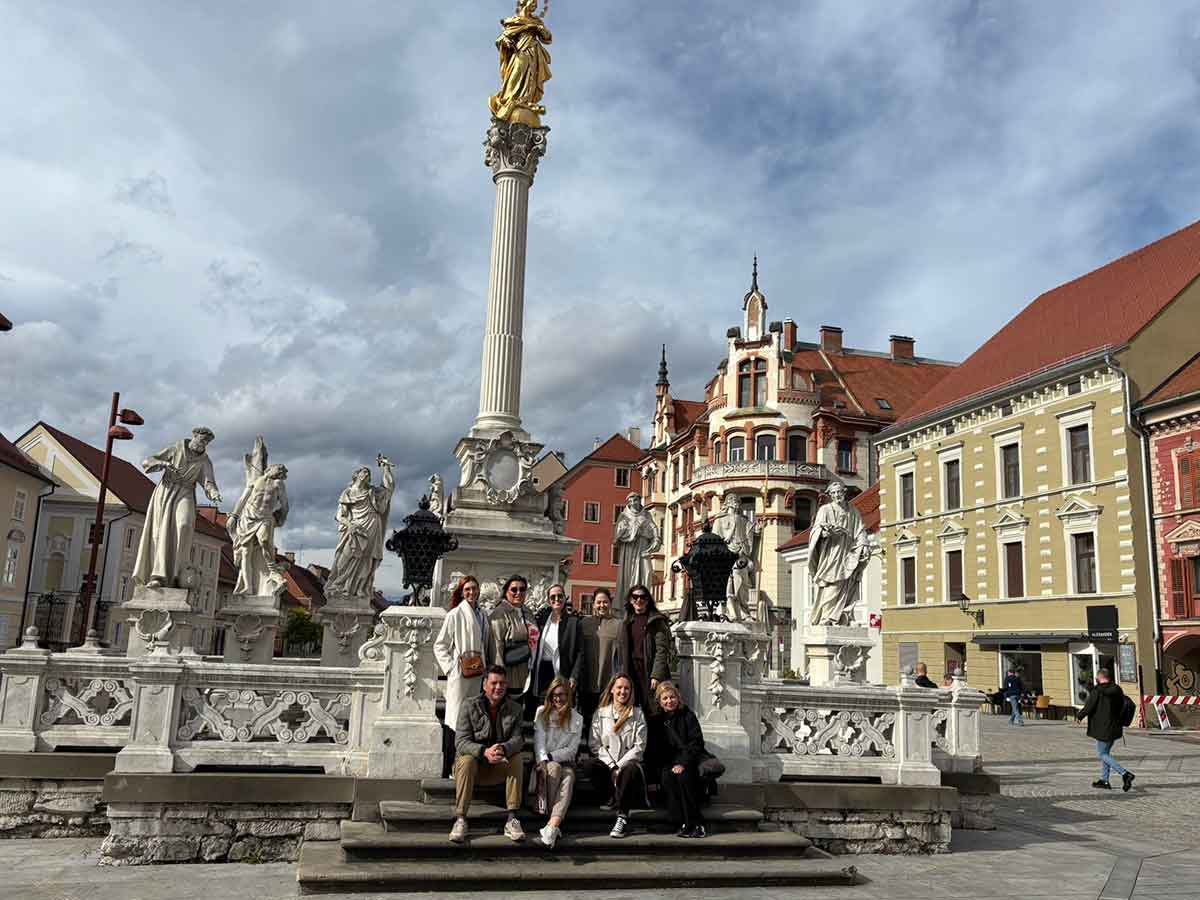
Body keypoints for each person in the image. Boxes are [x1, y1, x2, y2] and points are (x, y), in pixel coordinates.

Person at [133, 427, 222, 588]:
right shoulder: (176, 448)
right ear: (194, 437)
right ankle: (158, 576)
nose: (203, 444)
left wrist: (213, 492)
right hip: (166, 491)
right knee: (161, 532)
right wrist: (163, 464)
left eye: (206, 442)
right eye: (201, 440)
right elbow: (148, 461)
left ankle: (177, 574)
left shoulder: (204, 461)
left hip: (186, 492)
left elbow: (208, 481)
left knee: (184, 525)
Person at [450, 666, 526, 844]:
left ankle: (512, 818)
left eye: (502, 683)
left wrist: (503, 748)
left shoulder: (515, 708)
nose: (498, 687)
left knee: (517, 758)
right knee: (466, 760)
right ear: (485, 685)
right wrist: (484, 752)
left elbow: (519, 739)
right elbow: (460, 742)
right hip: (473, 769)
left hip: (498, 766)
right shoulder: (469, 705)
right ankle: (460, 818)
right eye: (494, 683)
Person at [433, 576, 489, 777]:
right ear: (461, 592)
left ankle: (467, 766)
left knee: (473, 720)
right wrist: (450, 668)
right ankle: (451, 767)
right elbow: (440, 645)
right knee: (455, 720)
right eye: (467, 589)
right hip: (461, 675)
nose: (471, 592)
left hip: (478, 674)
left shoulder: (482, 615)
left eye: (474, 588)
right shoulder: (455, 614)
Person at [589, 673, 648, 839]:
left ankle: (622, 816)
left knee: (629, 769)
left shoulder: (638, 714)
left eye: (627, 688)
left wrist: (619, 767)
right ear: (612, 690)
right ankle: (610, 797)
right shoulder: (600, 713)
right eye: (619, 687)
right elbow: (595, 744)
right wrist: (612, 766)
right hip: (608, 766)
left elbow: (639, 746)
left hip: (628, 766)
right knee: (589, 765)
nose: (623, 691)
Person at [650, 681, 708, 839]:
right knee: (668, 777)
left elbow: (696, 743)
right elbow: (654, 750)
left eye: (672, 697)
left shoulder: (688, 715)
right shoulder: (656, 721)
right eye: (665, 699)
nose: (669, 701)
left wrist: (682, 763)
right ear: (660, 702)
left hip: (689, 760)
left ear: (678, 698)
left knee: (684, 777)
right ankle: (682, 822)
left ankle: (696, 823)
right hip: (667, 762)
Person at [533, 676, 583, 849]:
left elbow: (572, 750)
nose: (558, 698)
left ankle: (551, 826)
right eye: (554, 695)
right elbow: (539, 740)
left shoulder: (577, 718)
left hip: (565, 763)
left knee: (568, 775)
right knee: (554, 769)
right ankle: (552, 823)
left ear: (569, 695)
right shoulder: (542, 712)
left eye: (562, 694)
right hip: (544, 763)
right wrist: (544, 760)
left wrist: (552, 757)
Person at [1075, 668, 1136, 792]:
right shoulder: (1117, 689)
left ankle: (1125, 774)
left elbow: (1089, 706)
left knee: (1102, 754)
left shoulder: (1098, 691)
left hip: (1103, 728)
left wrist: (1080, 716)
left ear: (1099, 678)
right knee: (1106, 753)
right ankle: (1104, 780)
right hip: (1115, 726)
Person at [616, 585, 671, 712]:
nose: (639, 600)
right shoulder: (626, 622)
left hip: (649, 669)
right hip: (630, 669)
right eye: (635, 597)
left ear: (648, 600)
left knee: (652, 708)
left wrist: (656, 675)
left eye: (642, 597)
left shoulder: (656, 621)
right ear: (630, 600)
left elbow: (662, 650)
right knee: (630, 707)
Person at [531, 584, 585, 709]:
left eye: (560, 596)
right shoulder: (541, 620)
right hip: (543, 671)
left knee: (561, 709)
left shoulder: (573, 622)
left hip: (563, 671)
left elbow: (580, 652)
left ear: (565, 598)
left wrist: (574, 676)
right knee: (543, 709)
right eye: (553, 597)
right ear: (548, 601)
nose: (557, 599)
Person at [489, 575, 537, 703]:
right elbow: (496, 647)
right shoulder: (500, 613)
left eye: (522, 589)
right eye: (514, 589)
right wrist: (499, 678)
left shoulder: (528, 612)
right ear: (506, 592)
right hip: (510, 677)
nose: (518, 593)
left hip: (528, 673)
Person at [581, 589, 620, 724]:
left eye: (605, 602)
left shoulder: (618, 625)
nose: (602, 605)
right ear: (593, 604)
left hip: (607, 683)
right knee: (586, 720)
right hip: (586, 682)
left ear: (610, 603)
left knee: (605, 722)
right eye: (599, 602)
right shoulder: (584, 623)